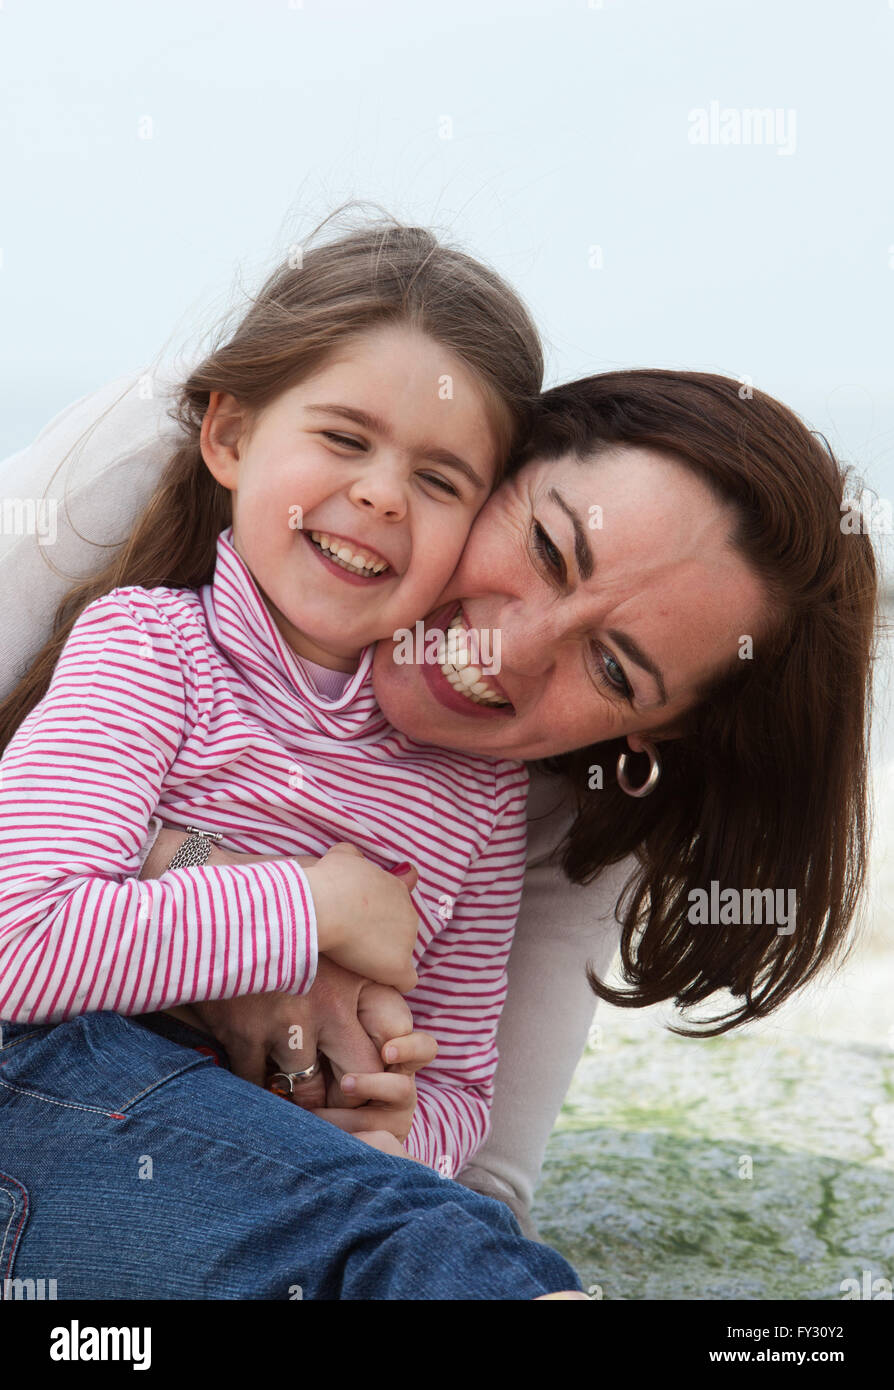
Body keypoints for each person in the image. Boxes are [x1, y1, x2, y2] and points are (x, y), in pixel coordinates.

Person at [0, 222, 878, 1298]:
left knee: (420, 1233)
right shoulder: (152, 615)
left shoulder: (492, 807)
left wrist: (386, 1124)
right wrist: (304, 911)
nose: (505, 650)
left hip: (245, 1167)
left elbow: (468, 1117)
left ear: (648, 738)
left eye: (611, 666)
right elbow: (24, 931)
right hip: (55, 1078)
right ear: (511, 468)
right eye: (549, 547)